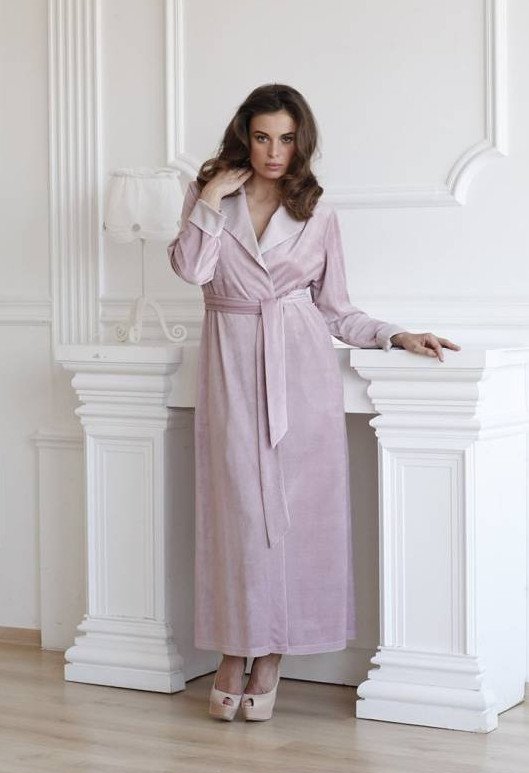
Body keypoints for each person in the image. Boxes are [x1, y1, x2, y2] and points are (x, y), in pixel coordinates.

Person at [167, 83, 460, 722]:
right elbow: (191, 270)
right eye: (262, 137)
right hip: (231, 365)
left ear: (301, 141)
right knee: (238, 516)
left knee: (297, 517)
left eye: (286, 138)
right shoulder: (210, 196)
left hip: (300, 368)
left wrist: (395, 334)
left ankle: (272, 656)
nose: (274, 151)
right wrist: (209, 200)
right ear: (244, 137)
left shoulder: (316, 210)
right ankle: (234, 650)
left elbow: (336, 308)